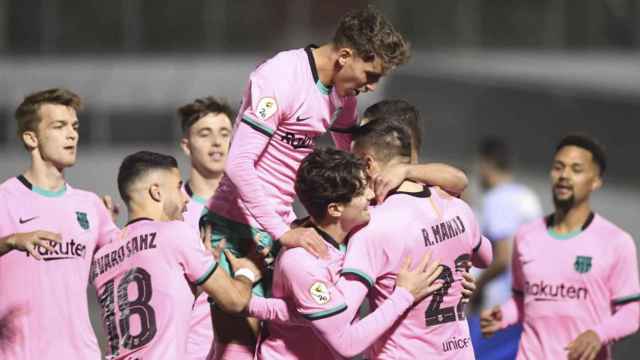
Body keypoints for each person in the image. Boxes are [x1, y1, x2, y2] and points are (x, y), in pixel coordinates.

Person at [202, 7, 467, 358]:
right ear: (345, 56)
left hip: (284, 226)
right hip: (237, 226)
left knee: (306, 323)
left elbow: (355, 166)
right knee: (239, 349)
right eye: (370, 74)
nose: (372, 86)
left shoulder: (344, 99)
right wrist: (282, 231)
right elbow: (237, 164)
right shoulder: (280, 76)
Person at [247, 119, 490, 359]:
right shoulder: (304, 256)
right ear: (334, 209)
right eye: (362, 190)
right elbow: (344, 338)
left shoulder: (368, 229)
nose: (371, 194)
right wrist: (405, 294)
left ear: (369, 162)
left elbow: (326, 317)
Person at [481, 134, 640, 360]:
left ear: (595, 181)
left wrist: (598, 334)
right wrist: (503, 315)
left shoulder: (616, 242)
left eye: (576, 169)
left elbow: (631, 313)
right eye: (558, 167)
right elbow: (521, 300)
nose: (564, 175)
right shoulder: (526, 236)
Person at [91, 151, 261, 359]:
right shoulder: (175, 234)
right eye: (179, 187)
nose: (185, 199)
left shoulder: (102, 257)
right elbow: (235, 301)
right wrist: (247, 272)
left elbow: (157, 308)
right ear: (156, 192)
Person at [0, 88, 118, 359]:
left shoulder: (90, 206)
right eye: (59, 126)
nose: (72, 134)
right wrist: (10, 241)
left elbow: (123, 261)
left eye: (74, 126)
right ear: (31, 138)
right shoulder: (5, 199)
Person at [468, 137, 542, 359]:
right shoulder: (528, 196)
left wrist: (476, 289)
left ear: (487, 163)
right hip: (526, 304)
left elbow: (502, 258)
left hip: (498, 306)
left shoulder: (498, 199)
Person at [177, 97, 234, 360]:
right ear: (186, 146)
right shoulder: (168, 211)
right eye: (205, 133)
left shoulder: (255, 206)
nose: (217, 143)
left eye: (224, 134)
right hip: (190, 351)